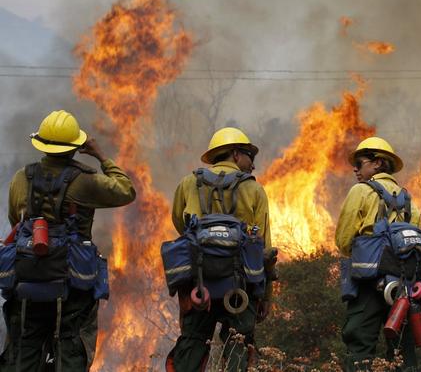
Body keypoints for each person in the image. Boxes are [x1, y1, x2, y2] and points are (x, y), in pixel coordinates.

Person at [0, 109, 136, 370]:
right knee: (71, 348)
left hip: (27, 281)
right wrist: (100, 155)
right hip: (72, 285)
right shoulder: (84, 181)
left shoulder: (20, 178)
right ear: (75, 148)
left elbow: (14, 220)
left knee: (23, 350)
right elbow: (126, 190)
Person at [168, 127, 272, 371]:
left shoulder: (188, 183)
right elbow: (264, 247)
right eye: (250, 156)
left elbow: (180, 224)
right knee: (238, 343)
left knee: (192, 342)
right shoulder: (254, 189)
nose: (253, 165)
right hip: (240, 287)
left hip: (198, 282)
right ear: (236, 154)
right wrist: (266, 296)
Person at [335, 137, 421, 371]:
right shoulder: (411, 202)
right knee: (403, 352)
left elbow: (343, 241)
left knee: (359, 349)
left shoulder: (360, 192)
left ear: (378, 164)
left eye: (360, 162)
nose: (355, 168)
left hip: (367, 287)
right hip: (403, 290)